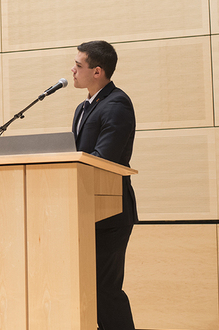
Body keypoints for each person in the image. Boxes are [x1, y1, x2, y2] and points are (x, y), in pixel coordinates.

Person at [71, 40, 138, 330]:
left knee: (105, 291)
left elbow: (104, 159)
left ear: (97, 71)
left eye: (78, 65)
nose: (72, 70)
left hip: (109, 212)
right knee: (88, 290)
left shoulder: (117, 104)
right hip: (86, 210)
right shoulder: (84, 107)